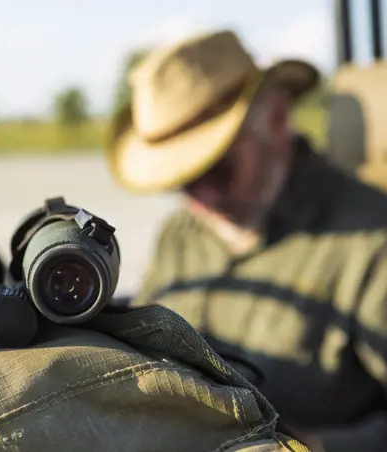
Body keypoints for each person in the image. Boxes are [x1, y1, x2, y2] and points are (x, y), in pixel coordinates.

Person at [106, 29, 387, 452]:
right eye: (180, 181)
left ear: (275, 118)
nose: (200, 199)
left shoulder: (371, 241)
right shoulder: (179, 237)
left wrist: (310, 448)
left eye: (215, 169)